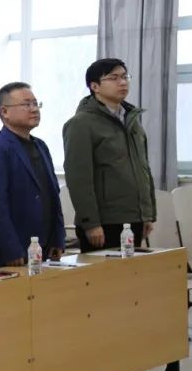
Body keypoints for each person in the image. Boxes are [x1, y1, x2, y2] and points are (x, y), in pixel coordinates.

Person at [63, 58, 157, 252]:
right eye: (113, 78)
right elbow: (79, 178)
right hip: (104, 222)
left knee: (133, 270)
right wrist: (91, 223)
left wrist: (146, 215)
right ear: (95, 86)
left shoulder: (132, 121)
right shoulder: (81, 124)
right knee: (107, 272)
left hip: (134, 219)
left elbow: (143, 169)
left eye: (124, 77)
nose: (122, 82)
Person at [0, 82, 65, 268]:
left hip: (42, 247)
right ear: (4, 112)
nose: (34, 109)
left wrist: (58, 237)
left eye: (35, 103)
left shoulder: (40, 145)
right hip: (9, 253)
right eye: (26, 104)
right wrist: (11, 248)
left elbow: (52, 194)